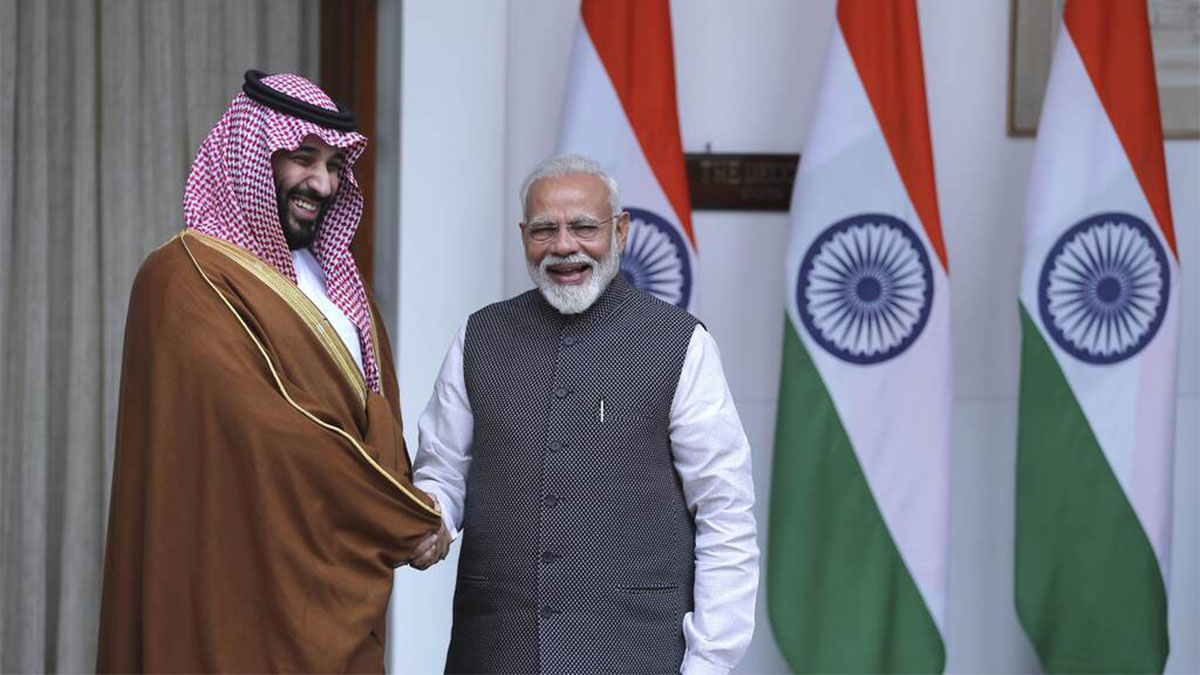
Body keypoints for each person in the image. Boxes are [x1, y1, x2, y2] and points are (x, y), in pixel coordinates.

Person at [96, 71, 442, 673]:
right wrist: (404, 517)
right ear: (252, 156)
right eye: (304, 159)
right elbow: (267, 431)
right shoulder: (183, 280)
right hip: (230, 586)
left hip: (333, 589)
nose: (322, 182)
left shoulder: (339, 289)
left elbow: (377, 421)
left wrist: (405, 504)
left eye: (335, 165)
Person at [409, 155, 759, 674]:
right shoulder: (478, 337)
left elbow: (725, 512)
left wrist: (709, 663)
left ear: (620, 230)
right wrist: (430, 521)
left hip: (634, 654)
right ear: (523, 234)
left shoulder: (680, 343)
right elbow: (442, 471)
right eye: (545, 229)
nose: (564, 246)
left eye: (584, 227)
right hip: (496, 654)